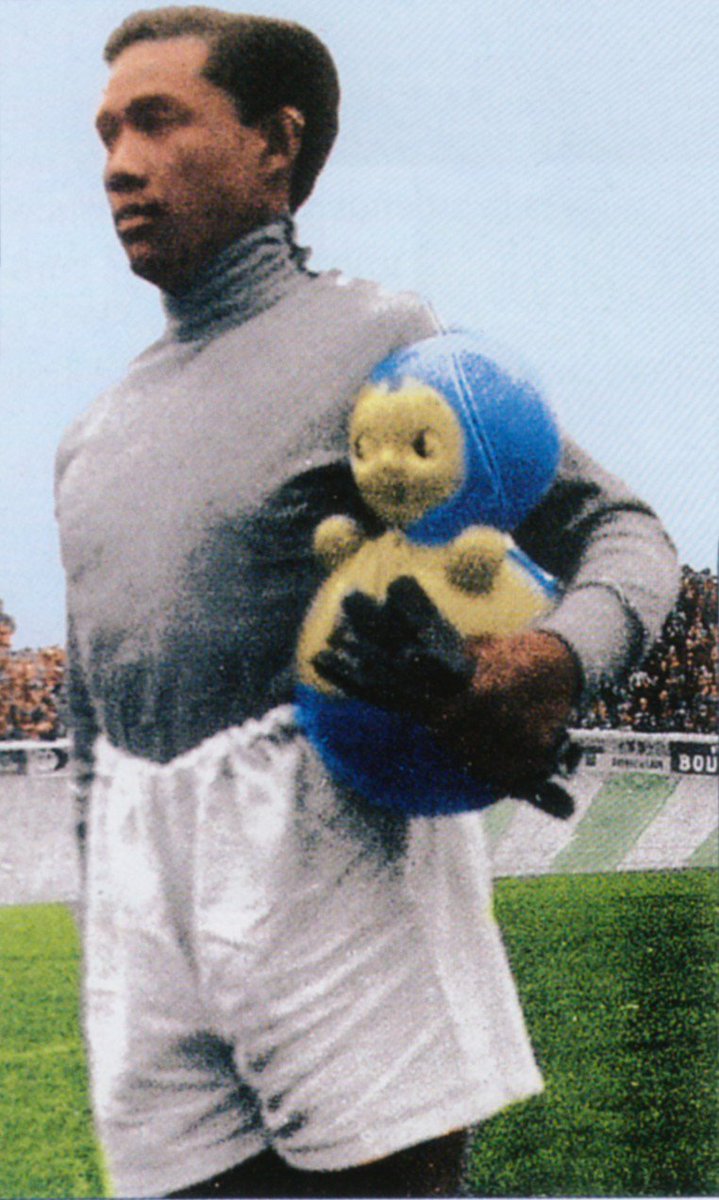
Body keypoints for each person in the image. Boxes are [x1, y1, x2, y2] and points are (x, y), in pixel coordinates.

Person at [55, 7, 679, 1198]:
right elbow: (89, 723)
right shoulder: (90, 436)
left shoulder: (375, 339)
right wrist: (105, 915)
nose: (119, 165)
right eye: (106, 133)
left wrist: (551, 661)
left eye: (158, 121)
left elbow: (619, 530)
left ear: (275, 146)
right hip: (144, 900)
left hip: (330, 862)